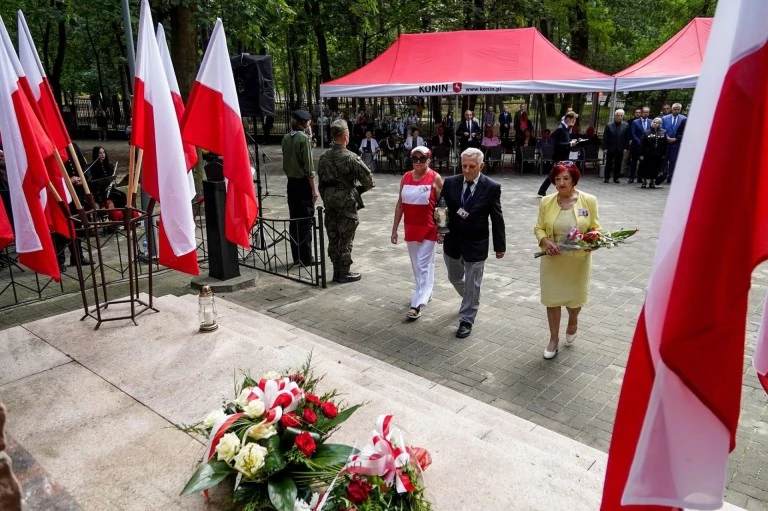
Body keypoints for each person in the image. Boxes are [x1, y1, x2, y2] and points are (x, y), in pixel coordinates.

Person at [534, 161, 601, 359]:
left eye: (565, 179)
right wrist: (545, 240)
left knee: (574, 301)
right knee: (552, 300)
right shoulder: (546, 201)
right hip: (553, 261)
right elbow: (538, 228)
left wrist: (593, 240)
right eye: (557, 179)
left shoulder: (589, 200)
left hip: (577, 261)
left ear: (574, 179)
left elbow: (595, 227)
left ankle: (573, 320)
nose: (561, 183)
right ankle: (553, 338)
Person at [439, 148, 506, 338]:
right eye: (464, 166)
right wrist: (441, 230)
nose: (467, 170)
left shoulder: (491, 187)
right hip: (452, 240)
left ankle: (466, 319)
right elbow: (441, 207)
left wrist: (500, 246)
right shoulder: (451, 182)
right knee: (454, 277)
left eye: (472, 166)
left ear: (481, 166)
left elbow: (497, 217)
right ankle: (470, 298)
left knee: (473, 282)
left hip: (477, 242)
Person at [317, 120, 375, 283]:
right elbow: (369, 182)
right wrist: (355, 192)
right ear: (344, 135)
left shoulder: (323, 157)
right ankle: (343, 273)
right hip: (346, 202)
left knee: (333, 235)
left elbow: (321, 184)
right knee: (346, 236)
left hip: (329, 201)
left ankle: (336, 270)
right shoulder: (351, 158)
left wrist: (328, 197)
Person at [391, 146, 444, 320]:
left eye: (422, 159)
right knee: (419, 265)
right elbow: (400, 204)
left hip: (429, 228)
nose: (418, 162)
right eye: (415, 158)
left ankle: (417, 304)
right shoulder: (406, 177)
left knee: (422, 264)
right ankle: (426, 292)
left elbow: (443, 206)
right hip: (411, 228)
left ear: (429, 159)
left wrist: (442, 230)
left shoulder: (435, 178)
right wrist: (394, 229)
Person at [281, 110, 318, 267]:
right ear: (305, 123)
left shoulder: (286, 138)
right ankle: (306, 258)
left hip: (291, 184)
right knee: (305, 221)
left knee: (294, 220)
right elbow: (309, 168)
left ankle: (297, 256)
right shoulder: (303, 139)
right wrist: (314, 190)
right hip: (303, 184)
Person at [537, 112, 578, 196]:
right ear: (568, 119)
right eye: (573, 120)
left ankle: (542, 190)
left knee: (555, 173)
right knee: (556, 173)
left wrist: (571, 142)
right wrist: (570, 144)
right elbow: (558, 144)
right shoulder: (560, 128)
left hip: (563, 155)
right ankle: (544, 190)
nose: (574, 123)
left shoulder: (566, 128)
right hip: (559, 156)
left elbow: (565, 140)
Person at [602, 109, 630, 184]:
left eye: (621, 116)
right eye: (618, 115)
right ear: (615, 116)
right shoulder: (609, 125)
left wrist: (626, 148)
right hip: (610, 147)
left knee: (618, 163)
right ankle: (607, 177)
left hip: (620, 147)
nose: (620, 117)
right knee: (609, 163)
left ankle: (616, 178)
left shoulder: (626, 125)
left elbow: (627, 137)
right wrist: (604, 148)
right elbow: (605, 138)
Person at [639, 117, 667, 189]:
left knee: (655, 168)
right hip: (647, 154)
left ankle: (652, 182)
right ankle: (644, 181)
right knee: (645, 168)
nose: (655, 124)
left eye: (657, 123)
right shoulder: (646, 132)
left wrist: (664, 154)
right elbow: (642, 144)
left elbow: (665, 144)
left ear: (660, 124)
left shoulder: (663, 132)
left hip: (658, 155)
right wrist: (641, 154)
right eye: (654, 122)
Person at [661, 102, 686, 182]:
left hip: (676, 142)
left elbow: (684, 131)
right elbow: (661, 129)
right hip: (666, 142)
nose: (676, 111)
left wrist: (676, 139)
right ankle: (661, 176)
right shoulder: (664, 118)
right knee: (663, 160)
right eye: (675, 109)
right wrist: (667, 137)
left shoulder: (684, 119)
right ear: (672, 109)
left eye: (678, 110)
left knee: (673, 160)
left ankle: (670, 177)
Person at [629, 106, 651, 184]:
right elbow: (633, 133)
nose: (646, 113)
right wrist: (639, 141)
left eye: (647, 112)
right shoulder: (635, 122)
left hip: (645, 146)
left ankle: (640, 177)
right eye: (644, 112)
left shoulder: (650, 121)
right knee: (633, 162)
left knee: (643, 163)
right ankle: (631, 177)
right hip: (636, 145)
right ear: (641, 113)